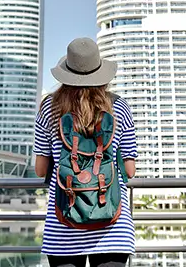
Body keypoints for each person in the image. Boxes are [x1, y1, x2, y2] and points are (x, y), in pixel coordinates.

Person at [34, 37, 137, 267]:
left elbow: (41, 170)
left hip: (63, 225)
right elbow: (129, 170)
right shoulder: (119, 106)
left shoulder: (49, 108)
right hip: (112, 227)